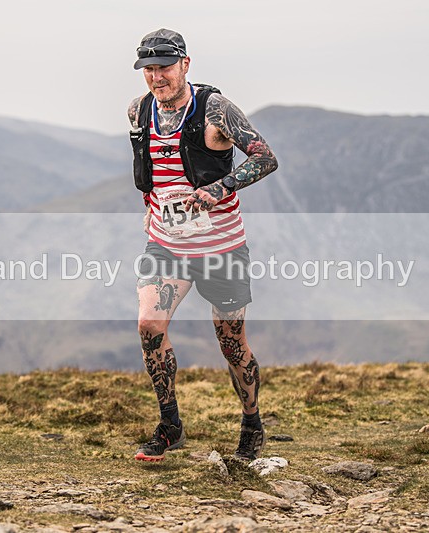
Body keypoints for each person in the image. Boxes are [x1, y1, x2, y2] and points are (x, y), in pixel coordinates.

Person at [128, 28, 278, 462]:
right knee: (149, 325)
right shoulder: (138, 112)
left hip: (221, 246)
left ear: (185, 65)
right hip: (166, 244)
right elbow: (151, 170)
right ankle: (170, 425)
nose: (157, 78)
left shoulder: (215, 108)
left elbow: (265, 157)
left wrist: (221, 187)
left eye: (165, 68)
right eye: (149, 70)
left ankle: (251, 422)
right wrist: (151, 207)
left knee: (230, 341)